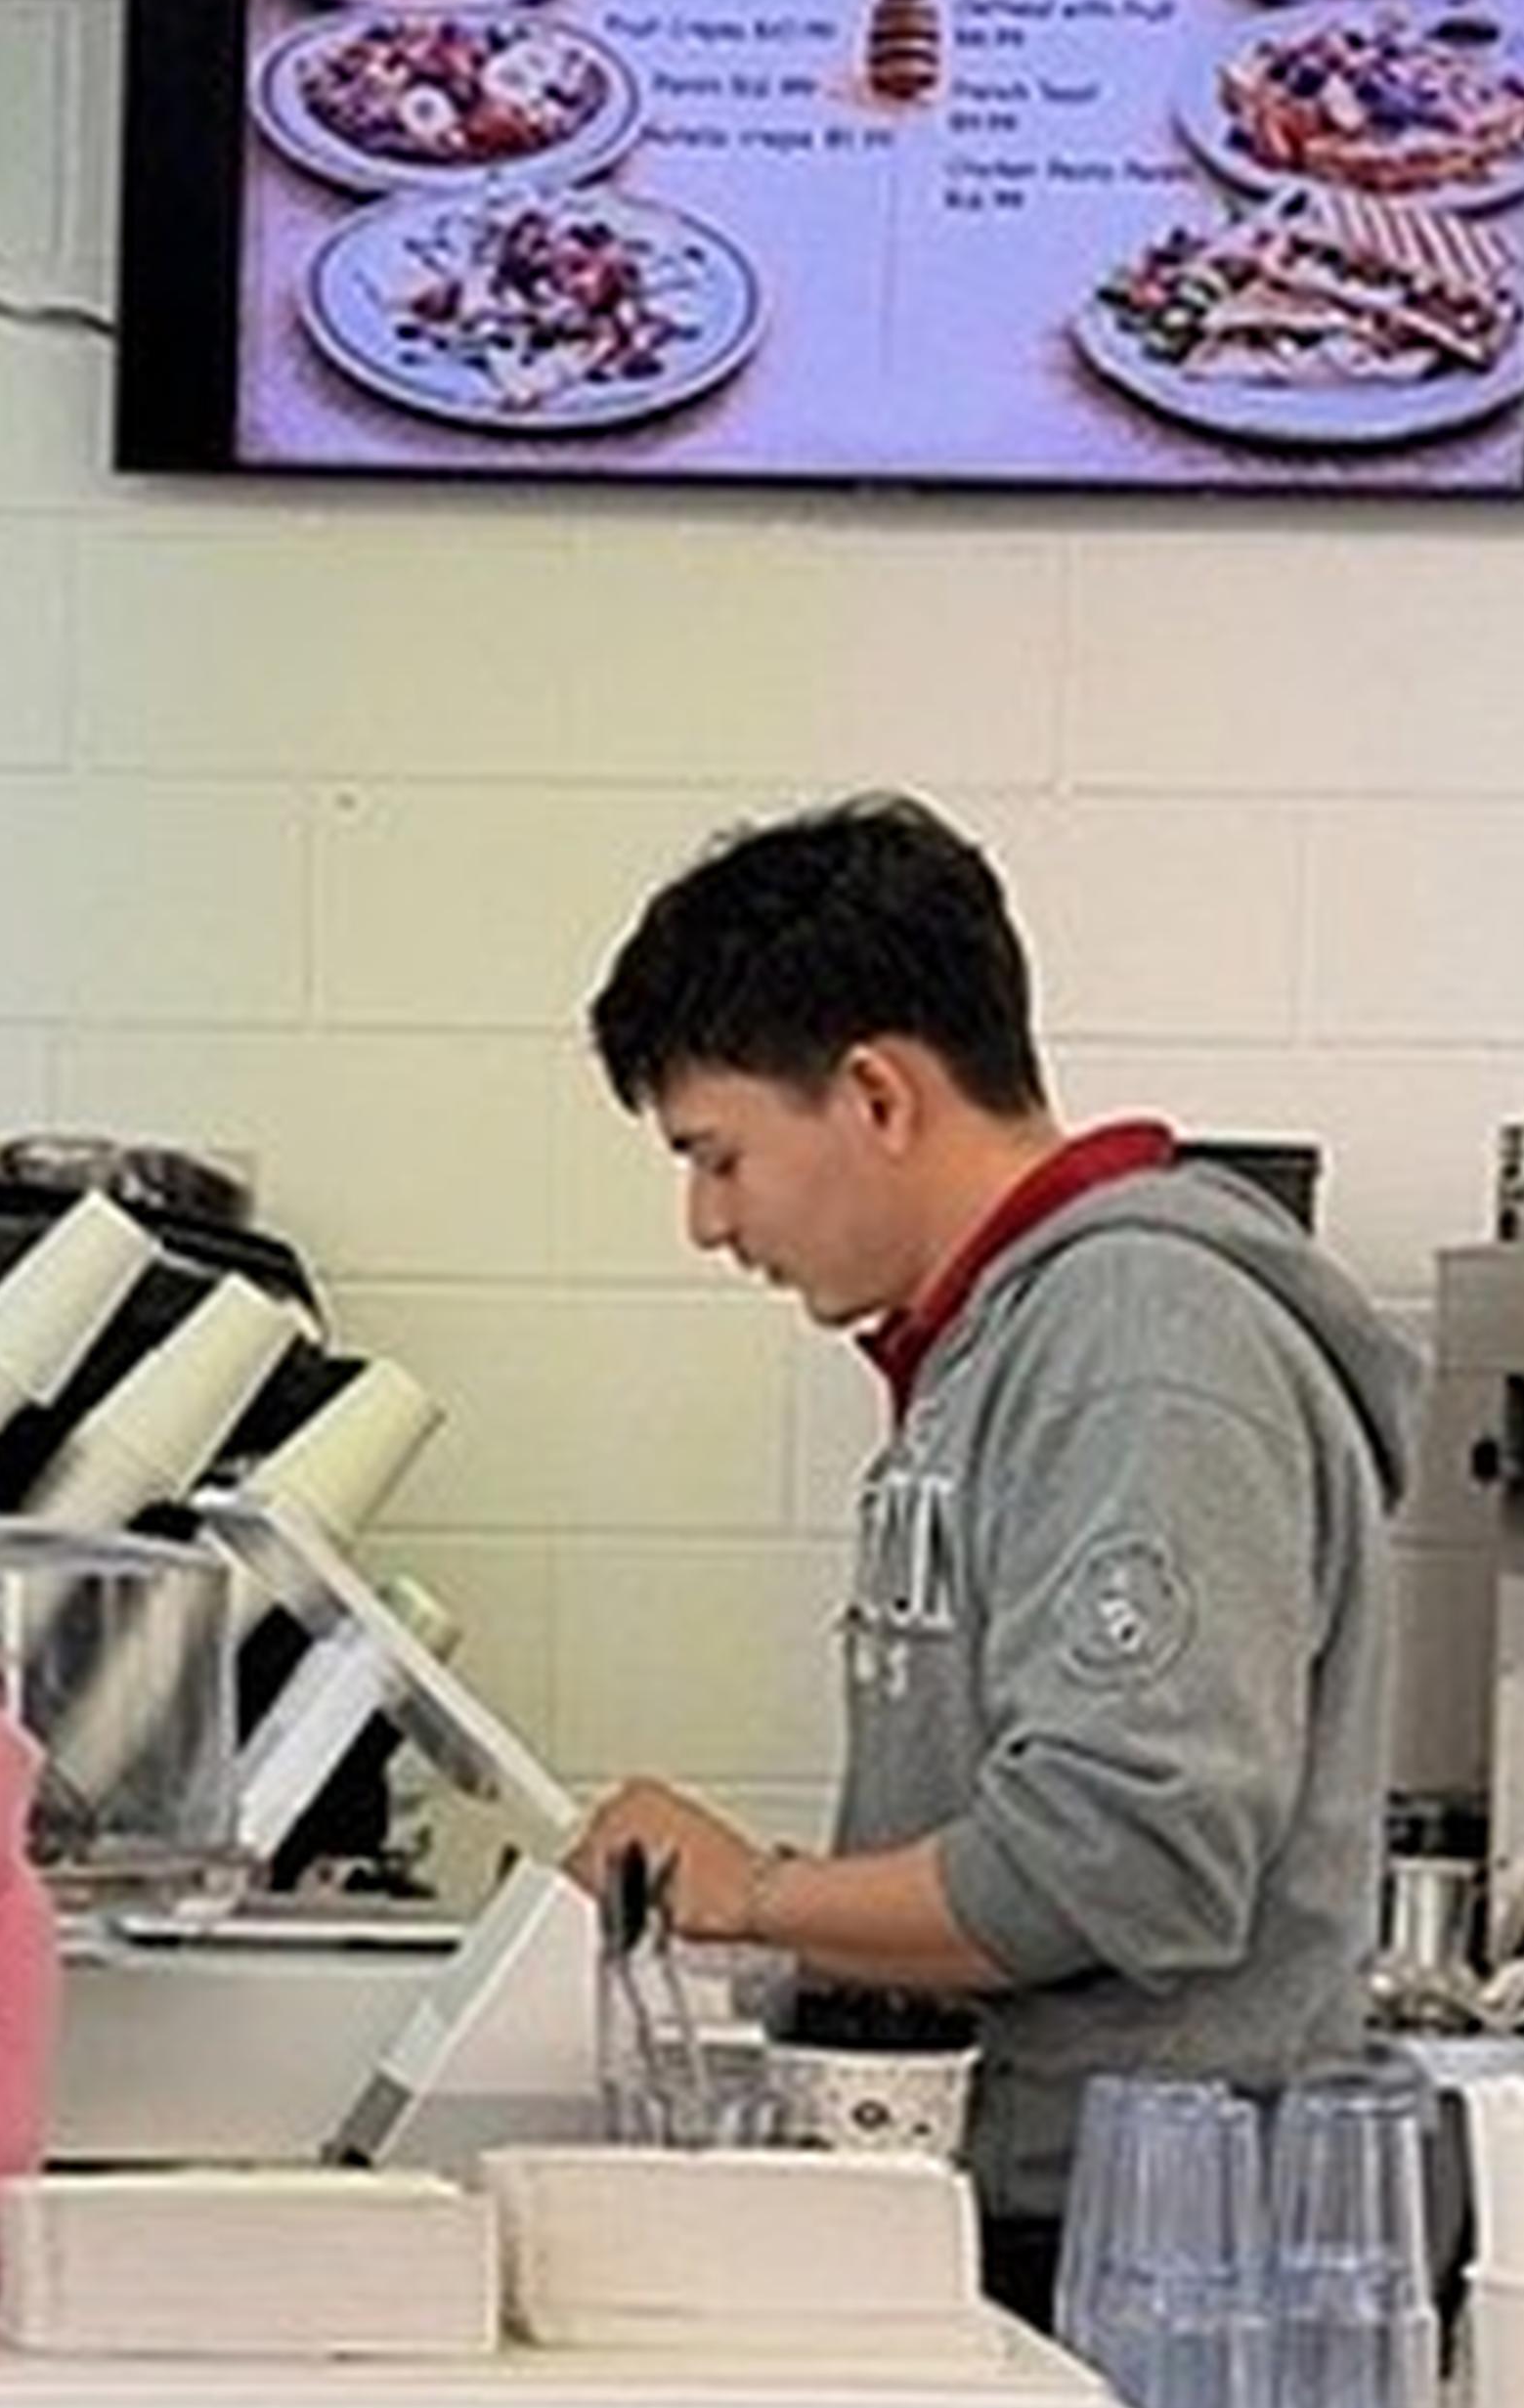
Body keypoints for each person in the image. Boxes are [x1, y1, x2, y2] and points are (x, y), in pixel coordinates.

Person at [566, 791, 1417, 2317]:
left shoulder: (1142, 1347)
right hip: (1038, 2207)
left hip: (1148, 2253)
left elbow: (1130, 1861)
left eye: (720, 1156)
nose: (707, 1222)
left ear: (878, 1095)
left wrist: (753, 1891)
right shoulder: (994, 1353)